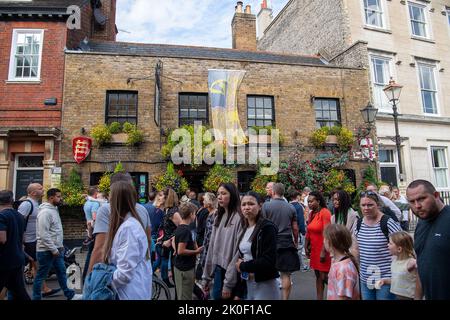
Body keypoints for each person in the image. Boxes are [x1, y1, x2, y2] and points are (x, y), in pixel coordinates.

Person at [87, 173, 152, 276]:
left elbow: (100, 249)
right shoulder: (142, 209)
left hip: (116, 272)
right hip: (140, 272)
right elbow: (148, 240)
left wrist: (90, 280)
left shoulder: (105, 210)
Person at [103, 181, 152, 300]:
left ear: (116, 201)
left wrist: (103, 283)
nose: (108, 200)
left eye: (110, 196)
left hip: (128, 293)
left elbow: (125, 273)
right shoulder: (127, 225)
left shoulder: (129, 229)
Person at [32, 188, 82, 300]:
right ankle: (36, 297)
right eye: (58, 196)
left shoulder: (54, 209)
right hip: (46, 250)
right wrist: (54, 249)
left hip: (57, 248)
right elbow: (43, 234)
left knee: (62, 272)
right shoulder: (45, 212)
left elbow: (55, 231)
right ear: (51, 198)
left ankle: (70, 295)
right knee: (41, 276)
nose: (61, 199)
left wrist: (60, 245)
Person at [406, 179, 450, 300]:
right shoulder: (421, 224)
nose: (417, 206)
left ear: (436, 195)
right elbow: (421, 266)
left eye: (421, 199)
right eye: (412, 201)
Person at [354, 191, 401, 300]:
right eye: (363, 205)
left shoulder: (387, 222)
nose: (366, 208)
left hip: (386, 279)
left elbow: (402, 247)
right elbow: (355, 247)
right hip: (366, 279)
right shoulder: (359, 223)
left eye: (370, 205)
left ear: (378, 205)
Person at [202, 183, 245, 300]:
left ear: (233, 196)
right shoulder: (218, 217)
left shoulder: (239, 218)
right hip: (217, 270)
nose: (220, 197)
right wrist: (206, 277)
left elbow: (238, 253)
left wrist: (228, 283)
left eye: (224, 193)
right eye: (218, 194)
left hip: (231, 274)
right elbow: (211, 248)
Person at [236, 192, 280, 300]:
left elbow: (269, 260)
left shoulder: (267, 228)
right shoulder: (245, 228)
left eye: (251, 204)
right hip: (249, 283)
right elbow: (245, 255)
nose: (247, 207)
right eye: (244, 204)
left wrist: (243, 266)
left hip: (265, 284)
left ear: (260, 206)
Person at [17, 183, 56, 297]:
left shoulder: (36, 203)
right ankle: (44, 289)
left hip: (34, 239)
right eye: (40, 188)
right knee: (35, 265)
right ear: (33, 192)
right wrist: (21, 239)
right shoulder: (27, 204)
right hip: (28, 240)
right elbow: (19, 221)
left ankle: (44, 289)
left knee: (35, 265)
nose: (43, 189)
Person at [262, 183, 300, 300]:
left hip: (270, 243)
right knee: (286, 275)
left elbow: (262, 226)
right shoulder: (291, 207)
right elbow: (295, 228)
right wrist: (296, 241)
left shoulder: (266, 206)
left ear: (273, 192)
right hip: (286, 242)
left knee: (268, 275)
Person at [0, 190, 30, 300]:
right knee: (20, 292)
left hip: (4, 261)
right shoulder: (19, 216)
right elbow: (23, 239)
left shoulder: (1, 216)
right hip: (17, 259)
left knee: (19, 292)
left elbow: (2, 239)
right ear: (12, 201)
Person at [304, 191, 331, 300]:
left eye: (311, 201)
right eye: (308, 201)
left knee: (325, 277)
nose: (309, 204)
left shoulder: (325, 212)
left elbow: (327, 233)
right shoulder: (311, 214)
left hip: (323, 249)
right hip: (314, 250)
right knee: (318, 277)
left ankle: (339, 294)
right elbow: (309, 231)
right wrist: (306, 246)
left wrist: (323, 251)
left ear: (318, 201)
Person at [173, 202, 203, 300]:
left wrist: (175, 249)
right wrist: (197, 251)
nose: (195, 216)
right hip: (185, 268)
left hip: (181, 266)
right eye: (194, 213)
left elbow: (173, 240)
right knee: (185, 296)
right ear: (191, 214)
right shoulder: (185, 230)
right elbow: (181, 251)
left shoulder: (180, 227)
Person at [323, 223, 360, 300]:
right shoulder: (337, 262)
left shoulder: (344, 269)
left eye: (325, 238)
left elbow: (343, 297)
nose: (323, 241)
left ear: (330, 242)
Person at [377, 231, 417, 300]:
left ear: (399, 249)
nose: (387, 245)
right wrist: (385, 281)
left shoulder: (411, 262)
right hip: (397, 297)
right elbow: (397, 280)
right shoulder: (394, 261)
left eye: (390, 243)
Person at [157, 188, 182, 288]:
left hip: (174, 246)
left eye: (161, 195)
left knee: (176, 277)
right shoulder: (167, 210)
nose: (159, 198)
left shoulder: (173, 212)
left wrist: (170, 239)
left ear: (168, 198)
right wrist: (163, 237)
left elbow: (183, 228)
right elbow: (168, 228)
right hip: (168, 245)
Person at [197, 193, 217, 284]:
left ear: (209, 202)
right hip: (207, 246)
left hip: (211, 248)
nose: (203, 201)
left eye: (204, 199)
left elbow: (212, 234)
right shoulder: (209, 213)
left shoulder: (215, 214)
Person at [287, 189, 306, 271]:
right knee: (299, 248)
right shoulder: (298, 206)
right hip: (297, 230)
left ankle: (293, 264)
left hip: (288, 230)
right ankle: (301, 266)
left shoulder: (287, 205)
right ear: (297, 196)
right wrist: (303, 231)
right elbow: (301, 220)